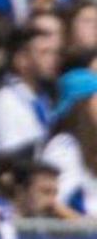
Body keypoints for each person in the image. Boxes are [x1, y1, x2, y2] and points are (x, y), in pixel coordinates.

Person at [0, 28, 61, 156]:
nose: (53, 59)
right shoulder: (4, 102)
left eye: (55, 53)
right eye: (44, 53)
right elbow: (10, 155)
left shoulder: (46, 99)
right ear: (21, 60)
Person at [39, 68, 97, 215]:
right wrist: (85, 228)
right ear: (83, 104)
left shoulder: (88, 146)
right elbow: (53, 203)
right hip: (79, 236)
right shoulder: (63, 147)